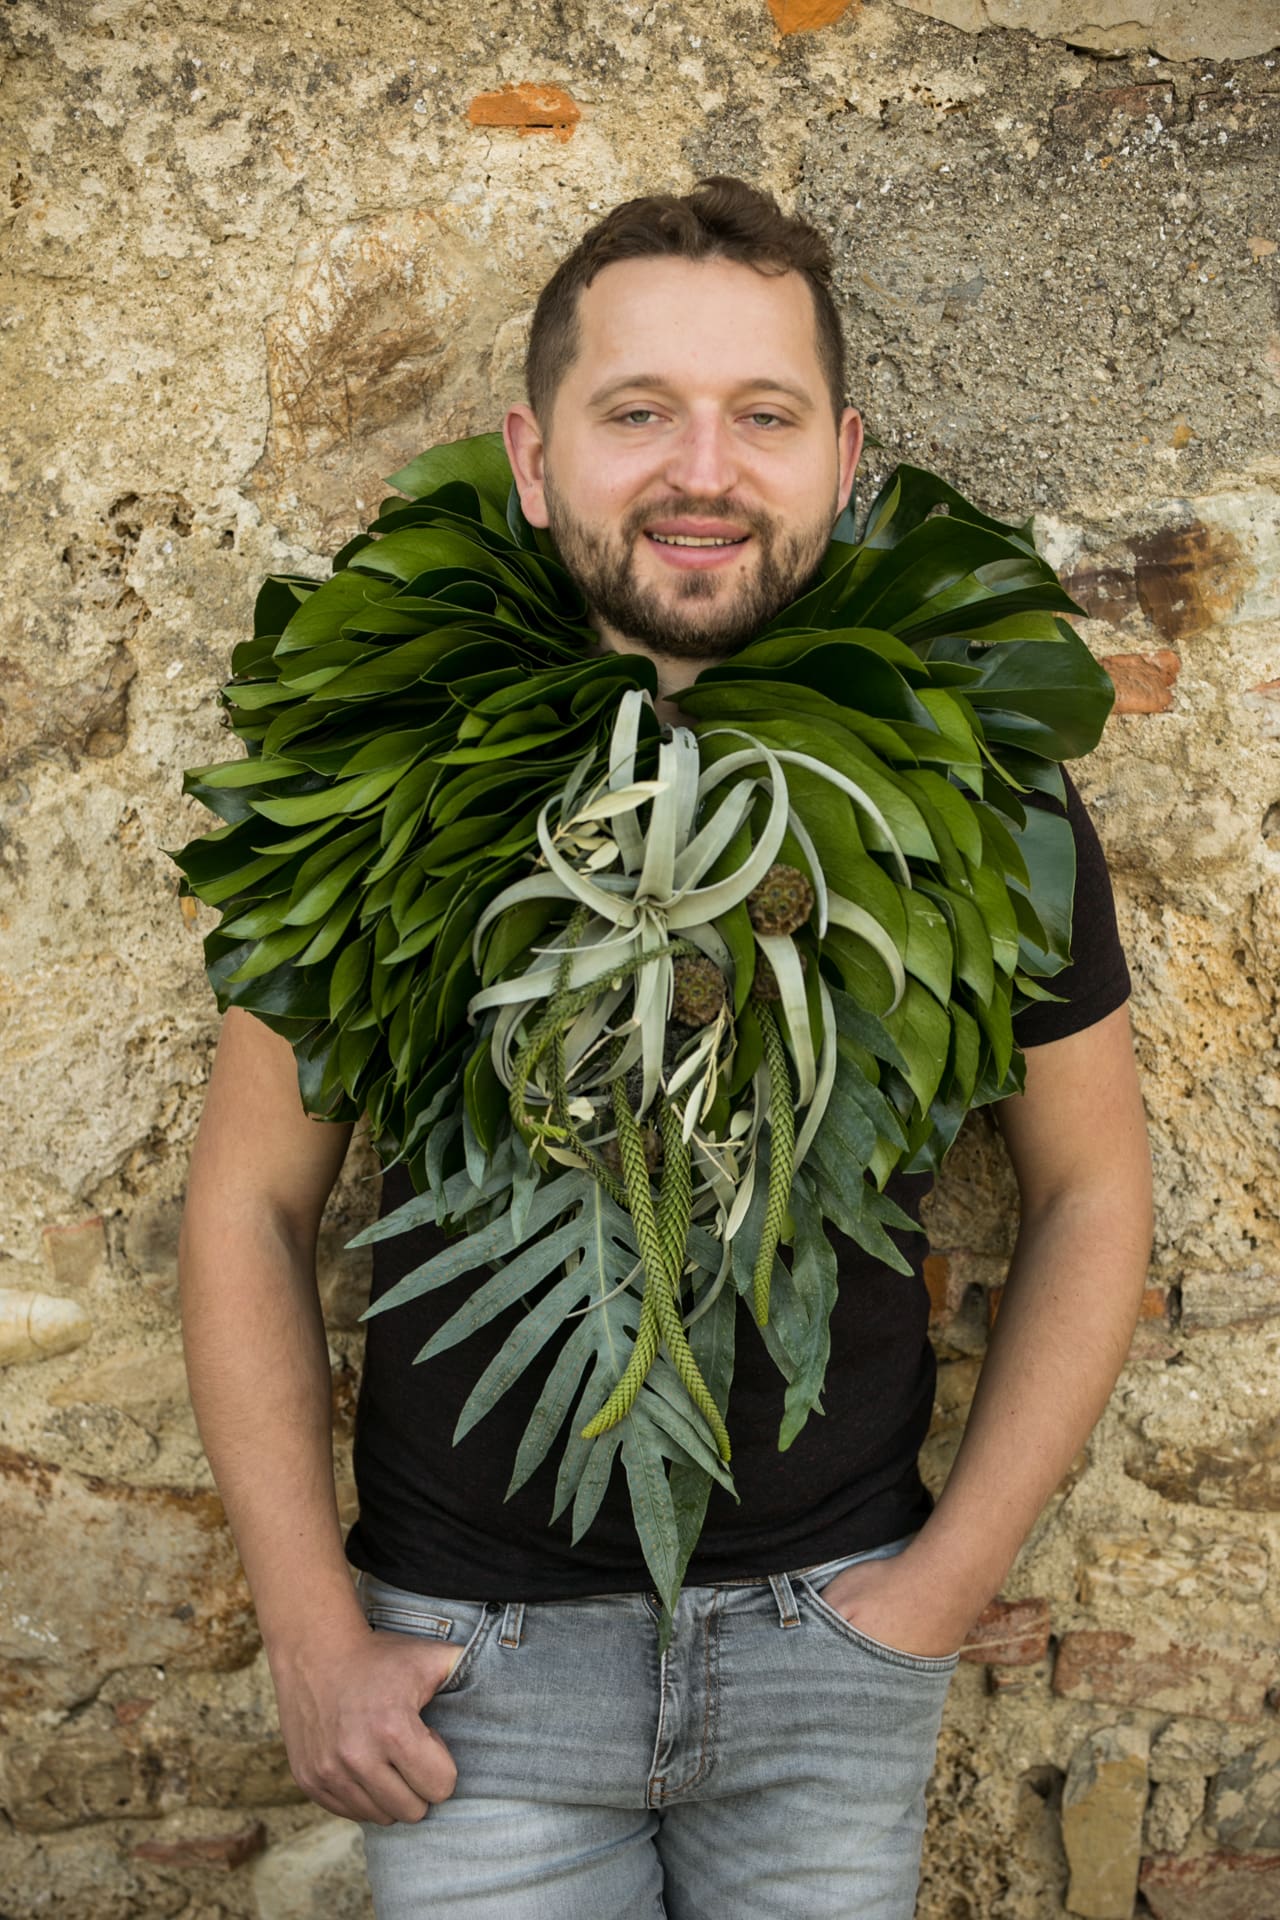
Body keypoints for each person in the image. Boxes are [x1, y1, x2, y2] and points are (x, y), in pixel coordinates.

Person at [180, 179, 1152, 1919]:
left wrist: (934, 1597)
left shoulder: (979, 775)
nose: (703, 470)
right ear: (532, 456)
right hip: (466, 1674)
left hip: (830, 1646)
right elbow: (252, 1202)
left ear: (843, 460)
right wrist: (310, 1631)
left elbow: (1092, 1190)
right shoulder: (387, 757)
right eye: (637, 412)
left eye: (761, 416)